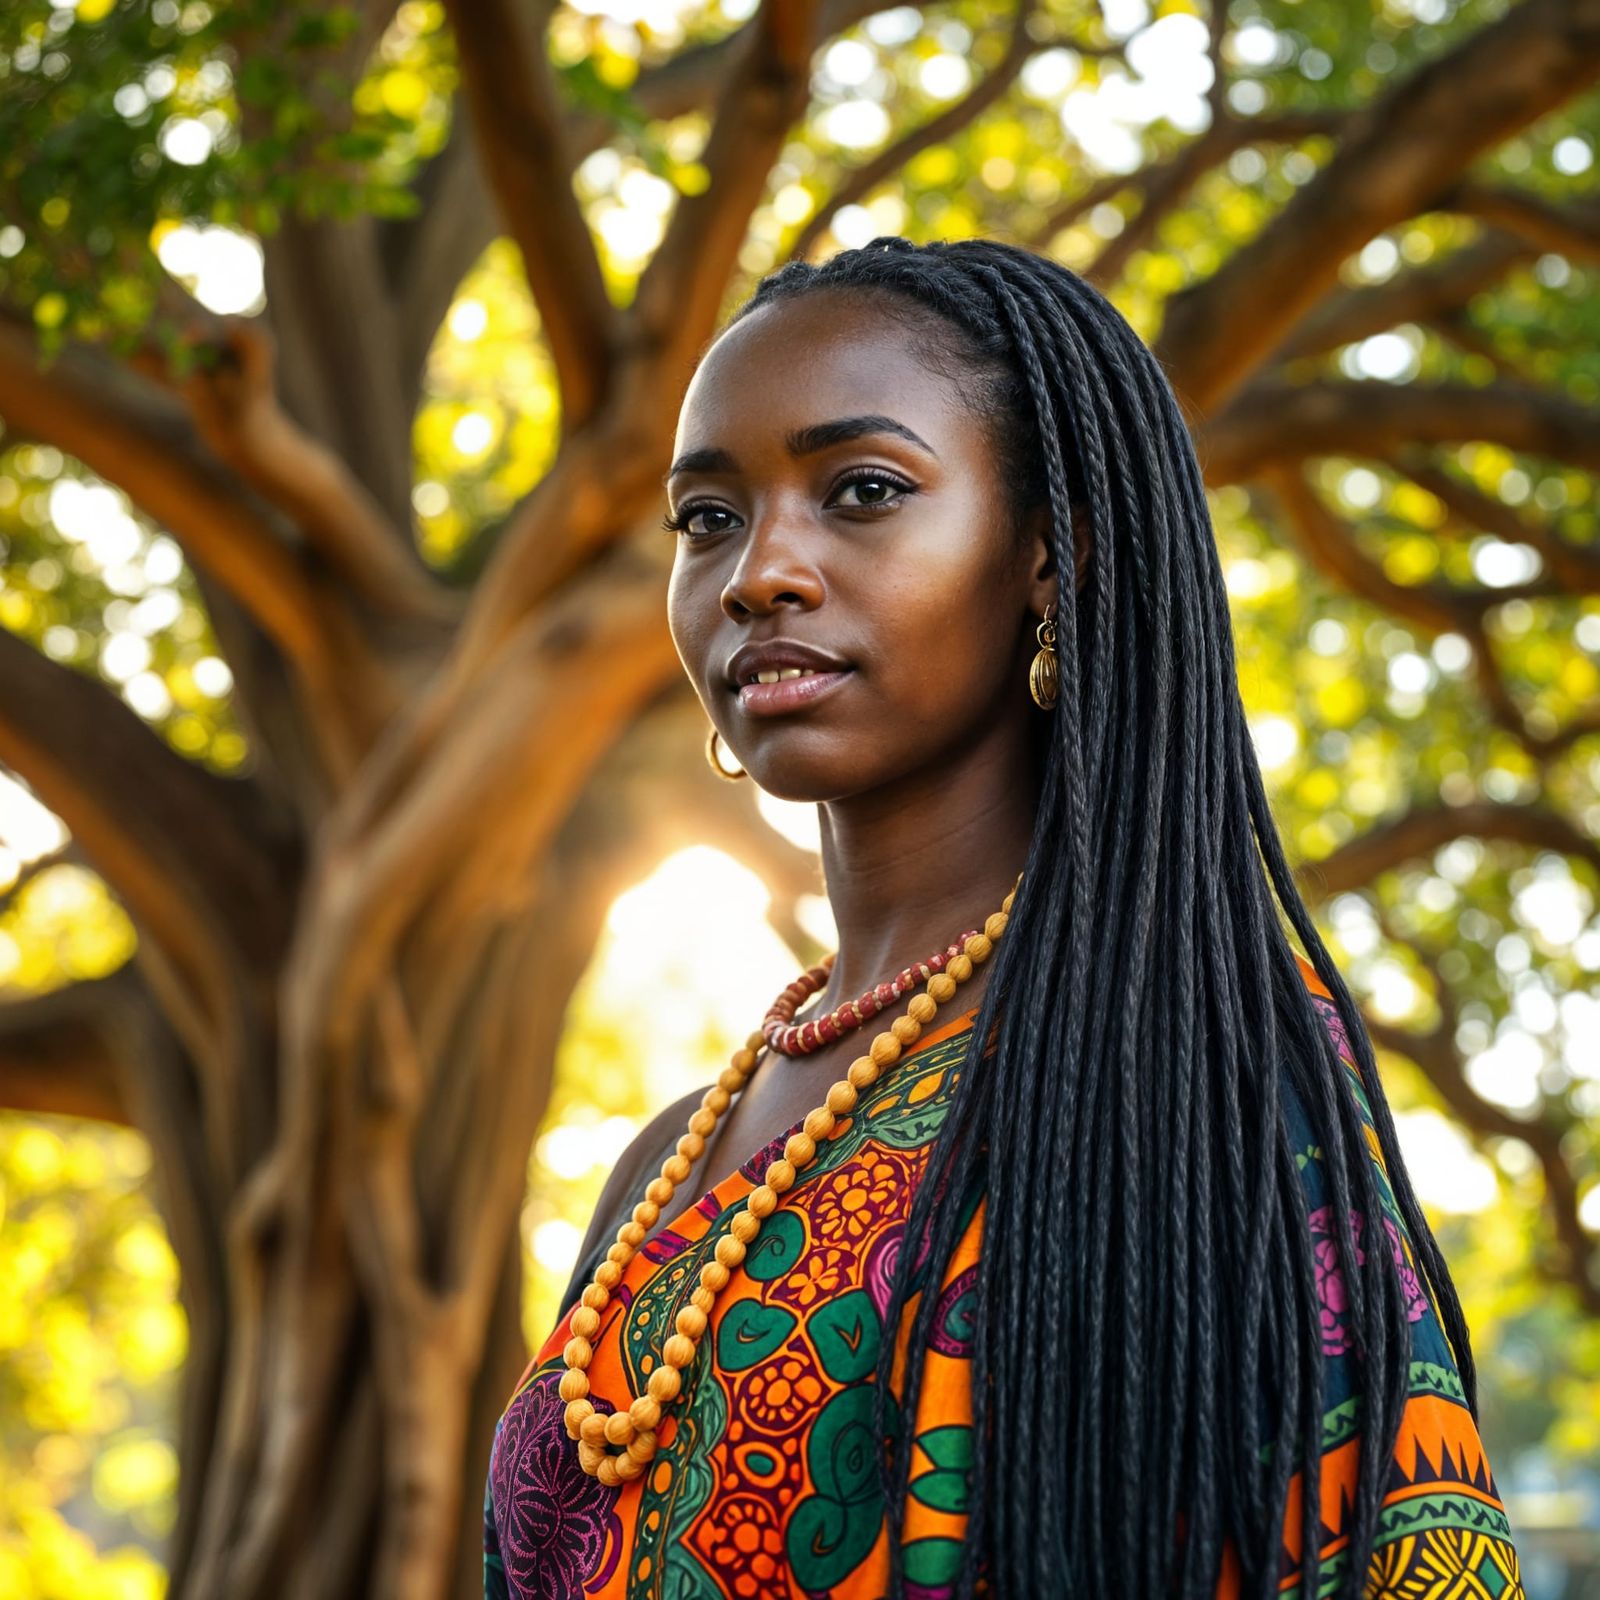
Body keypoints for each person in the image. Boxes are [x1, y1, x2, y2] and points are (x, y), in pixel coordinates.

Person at [482, 237, 1522, 1599]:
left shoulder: (1197, 1089)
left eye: (862, 491)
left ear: (1049, 553)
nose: (757, 572)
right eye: (708, 516)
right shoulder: (660, 1169)